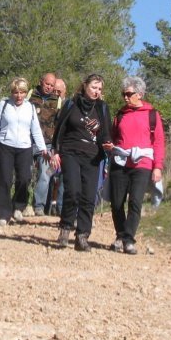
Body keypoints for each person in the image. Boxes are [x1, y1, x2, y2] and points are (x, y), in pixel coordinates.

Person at [50, 73, 110, 251]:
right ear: (84, 86)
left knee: (88, 196)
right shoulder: (71, 104)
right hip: (70, 152)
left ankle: (82, 236)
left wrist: (107, 142)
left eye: (99, 89)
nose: (96, 92)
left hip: (93, 156)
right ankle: (65, 228)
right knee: (73, 191)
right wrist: (55, 151)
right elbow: (59, 129)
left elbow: (106, 133)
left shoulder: (102, 108)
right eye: (93, 87)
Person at [108, 76, 166, 254]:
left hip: (143, 164)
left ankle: (128, 239)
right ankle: (120, 235)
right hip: (121, 161)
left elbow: (158, 142)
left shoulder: (152, 115)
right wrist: (110, 146)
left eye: (129, 94)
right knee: (117, 202)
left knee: (135, 202)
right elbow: (113, 137)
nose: (125, 97)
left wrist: (157, 167)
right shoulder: (120, 114)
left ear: (139, 94)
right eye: (123, 94)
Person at [0, 78, 48, 226]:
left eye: (22, 92)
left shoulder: (30, 107)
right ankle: (2, 213)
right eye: (15, 92)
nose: (19, 96)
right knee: (5, 180)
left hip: (25, 147)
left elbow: (36, 130)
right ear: (11, 93)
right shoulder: (4, 104)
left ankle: (18, 206)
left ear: (26, 93)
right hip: (5, 145)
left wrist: (43, 149)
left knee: (24, 178)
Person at [29, 72, 60, 215]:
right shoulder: (30, 95)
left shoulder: (57, 101)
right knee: (25, 174)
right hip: (27, 141)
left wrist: (56, 147)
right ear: (41, 81)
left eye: (52, 85)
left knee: (44, 175)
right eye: (47, 84)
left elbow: (59, 124)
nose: (49, 87)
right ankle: (20, 204)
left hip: (47, 143)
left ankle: (39, 207)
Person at [48, 78, 67, 215]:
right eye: (53, 90)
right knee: (48, 175)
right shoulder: (48, 104)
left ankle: (60, 208)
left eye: (58, 91)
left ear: (64, 91)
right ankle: (46, 207)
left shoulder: (69, 105)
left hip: (64, 147)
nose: (56, 93)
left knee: (61, 178)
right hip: (49, 144)